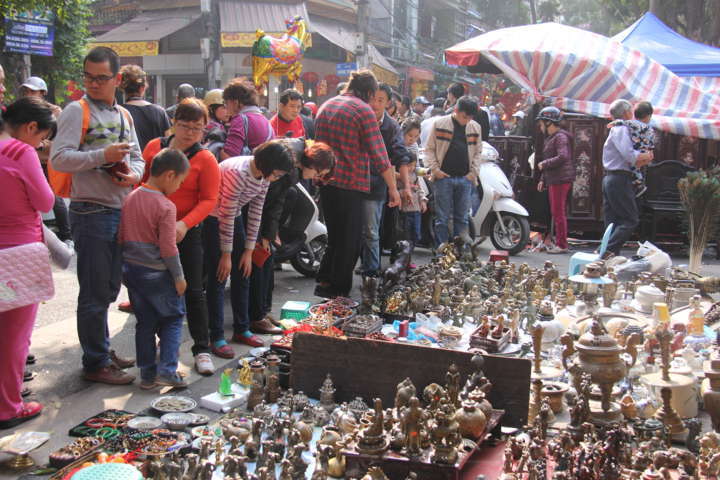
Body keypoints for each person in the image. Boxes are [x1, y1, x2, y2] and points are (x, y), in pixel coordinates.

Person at [50, 46, 144, 385]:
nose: (93, 84)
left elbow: (139, 160)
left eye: (101, 78)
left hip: (120, 208)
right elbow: (59, 159)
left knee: (108, 289)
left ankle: (101, 350)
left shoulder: (124, 115)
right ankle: (95, 363)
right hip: (90, 211)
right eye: (89, 77)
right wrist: (101, 155)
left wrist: (132, 175)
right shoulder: (77, 111)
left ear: (117, 79)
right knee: (93, 291)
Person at [141, 98, 221, 375]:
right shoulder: (155, 148)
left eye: (196, 128)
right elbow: (142, 184)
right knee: (155, 289)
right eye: (184, 125)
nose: (189, 133)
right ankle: (162, 349)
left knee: (194, 290)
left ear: (205, 129)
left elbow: (210, 199)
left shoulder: (206, 158)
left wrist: (185, 225)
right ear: (173, 124)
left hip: (186, 232)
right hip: (152, 231)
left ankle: (201, 348)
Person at [204, 140, 293, 357]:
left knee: (244, 272)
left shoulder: (263, 176)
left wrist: (248, 251)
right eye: (278, 174)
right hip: (214, 219)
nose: (277, 178)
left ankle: (242, 328)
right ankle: (216, 336)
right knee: (219, 277)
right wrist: (226, 255)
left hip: (234, 218)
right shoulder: (238, 173)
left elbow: (255, 212)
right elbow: (224, 214)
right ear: (268, 164)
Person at [0, 97, 56, 429]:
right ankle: (8, 406)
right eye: (42, 137)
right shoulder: (20, 152)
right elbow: (45, 200)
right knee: (14, 335)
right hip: (17, 254)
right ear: (30, 127)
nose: (42, 144)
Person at [119, 148, 189, 389]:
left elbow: (121, 237)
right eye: (180, 181)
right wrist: (179, 276)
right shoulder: (166, 206)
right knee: (173, 318)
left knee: (145, 322)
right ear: (169, 175)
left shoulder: (130, 197)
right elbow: (169, 248)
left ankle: (147, 375)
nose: (179, 187)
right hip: (157, 273)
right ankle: (168, 370)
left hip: (131, 270)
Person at [249, 139, 335, 333]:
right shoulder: (289, 164)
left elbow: (276, 202)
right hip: (252, 210)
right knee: (260, 266)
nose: (315, 178)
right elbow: (271, 202)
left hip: (262, 214)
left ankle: (262, 312)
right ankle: (255, 316)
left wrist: (271, 233)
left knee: (267, 265)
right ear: (313, 163)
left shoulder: (295, 165)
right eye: (318, 173)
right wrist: (267, 234)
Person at [361, 83, 411, 277]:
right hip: (353, 183)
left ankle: (371, 273)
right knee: (355, 231)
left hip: (376, 184)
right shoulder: (359, 120)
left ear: (388, 103)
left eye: (380, 100)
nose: (374, 104)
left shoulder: (391, 127)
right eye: (372, 98)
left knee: (372, 231)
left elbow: (401, 157)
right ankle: (362, 266)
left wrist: (405, 186)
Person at [18, 77, 71, 245]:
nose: (29, 94)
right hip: (26, 159)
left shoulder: (55, 113)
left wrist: (40, 145)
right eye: (26, 91)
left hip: (47, 160)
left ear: (43, 93)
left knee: (54, 197)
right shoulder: (21, 111)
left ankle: (67, 235)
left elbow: (62, 141)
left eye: (33, 91)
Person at [425, 96, 483, 246]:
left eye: (470, 117)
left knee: (462, 218)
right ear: (456, 111)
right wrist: (435, 170)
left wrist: (472, 173)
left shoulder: (475, 127)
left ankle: (460, 253)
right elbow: (429, 149)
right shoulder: (440, 123)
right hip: (443, 177)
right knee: (442, 218)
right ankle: (442, 253)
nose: (467, 120)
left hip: (465, 178)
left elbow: (478, 152)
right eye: (465, 116)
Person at [602, 99, 654, 258]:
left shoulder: (619, 128)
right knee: (630, 219)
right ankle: (607, 251)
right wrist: (647, 156)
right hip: (619, 178)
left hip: (612, 178)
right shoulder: (621, 129)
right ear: (626, 113)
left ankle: (609, 254)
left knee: (613, 221)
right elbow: (629, 155)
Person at [535, 106, 574, 254]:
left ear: (549, 122)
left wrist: (544, 164)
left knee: (558, 212)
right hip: (555, 178)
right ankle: (560, 243)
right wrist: (542, 178)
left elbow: (563, 156)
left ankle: (562, 244)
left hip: (560, 178)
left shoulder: (560, 137)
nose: (540, 126)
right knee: (556, 211)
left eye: (541, 123)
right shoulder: (553, 138)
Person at [607, 101, 655, 197]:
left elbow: (620, 122)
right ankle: (639, 185)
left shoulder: (627, 125)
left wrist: (612, 123)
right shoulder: (649, 129)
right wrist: (647, 155)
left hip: (618, 173)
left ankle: (638, 184)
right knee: (627, 211)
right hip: (622, 176)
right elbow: (631, 154)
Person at [119, 65, 170, 151]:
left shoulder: (119, 112)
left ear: (123, 88)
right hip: (156, 163)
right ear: (142, 88)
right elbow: (169, 143)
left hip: (130, 163)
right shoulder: (160, 112)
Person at [221, 79, 274, 160]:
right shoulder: (265, 120)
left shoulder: (240, 120)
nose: (226, 107)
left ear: (235, 103)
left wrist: (218, 149)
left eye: (226, 103)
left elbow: (229, 156)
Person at [399, 120, 428, 264]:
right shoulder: (397, 146)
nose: (412, 140)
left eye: (416, 137)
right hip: (403, 205)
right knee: (404, 235)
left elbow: (416, 172)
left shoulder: (414, 147)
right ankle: (402, 259)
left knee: (415, 234)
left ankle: (407, 258)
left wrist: (422, 199)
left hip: (415, 205)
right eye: (410, 136)